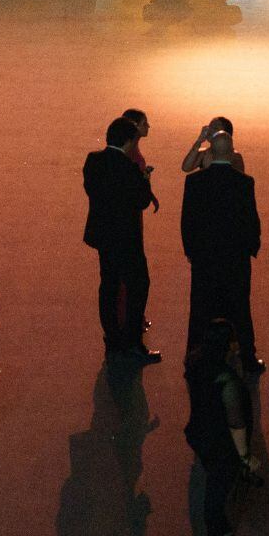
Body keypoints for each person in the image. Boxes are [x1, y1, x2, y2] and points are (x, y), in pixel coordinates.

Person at [181, 127, 262, 372]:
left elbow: (187, 220)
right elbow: (251, 219)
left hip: (204, 256)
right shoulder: (244, 182)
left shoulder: (194, 181)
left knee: (200, 308)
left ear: (210, 154)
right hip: (235, 257)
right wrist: (252, 247)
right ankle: (248, 358)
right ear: (232, 153)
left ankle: (194, 357)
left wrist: (191, 250)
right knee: (240, 308)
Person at [82, 115, 159, 364]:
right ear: (129, 141)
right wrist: (145, 180)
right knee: (138, 285)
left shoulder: (93, 161)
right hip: (127, 238)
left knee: (108, 285)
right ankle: (133, 342)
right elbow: (141, 201)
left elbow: (92, 190)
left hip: (103, 235)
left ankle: (112, 339)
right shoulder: (129, 168)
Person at [185, 317, 256, 536]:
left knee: (214, 486)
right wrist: (245, 457)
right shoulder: (227, 381)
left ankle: (219, 531)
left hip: (200, 433)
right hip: (220, 444)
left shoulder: (197, 364)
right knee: (217, 491)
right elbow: (236, 424)